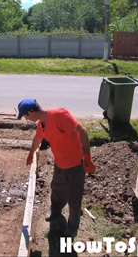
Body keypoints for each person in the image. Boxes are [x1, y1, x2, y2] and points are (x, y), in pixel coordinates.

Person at [17, 99, 95, 238]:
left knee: (74, 199)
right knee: (57, 191)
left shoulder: (59, 115)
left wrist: (87, 156)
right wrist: (30, 154)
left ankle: (72, 228)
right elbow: (37, 139)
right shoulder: (41, 124)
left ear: (30, 112)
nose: (25, 119)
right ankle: (55, 212)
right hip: (60, 164)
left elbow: (82, 131)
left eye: (25, 116)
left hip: (76, 165)